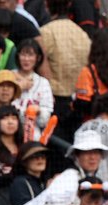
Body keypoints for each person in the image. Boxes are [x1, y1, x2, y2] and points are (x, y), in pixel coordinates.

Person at [37, 0, 90, 134]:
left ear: (47, 6)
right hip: (78, 100)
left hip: (54, 98)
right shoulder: (82, 34)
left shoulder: (45, 32)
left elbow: (39, 62)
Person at [12, 39, 53, 143]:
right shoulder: (8, 76)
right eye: (23, 55)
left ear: (38, 58)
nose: (26, 59)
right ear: (18, 56)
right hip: (10, 133)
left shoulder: (43, 83)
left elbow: (45, 118)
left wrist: (38, 111)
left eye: (30, 55)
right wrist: (19, 88)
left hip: (33, 137)